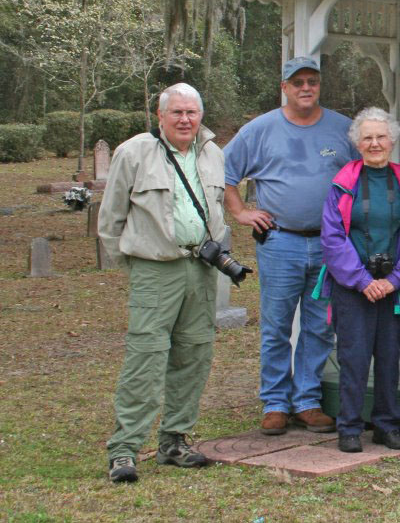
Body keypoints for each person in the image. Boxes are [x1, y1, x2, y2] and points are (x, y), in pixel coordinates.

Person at [100, 83, 229, 483]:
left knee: (194, 354)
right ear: (160, 116)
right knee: (146, 355)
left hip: (201, 267)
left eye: (192, 112)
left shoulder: (212, 153)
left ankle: (174, 439)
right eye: (177, 112)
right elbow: (111, 218)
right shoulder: (134, 152)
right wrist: (135, 263)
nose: (185, 119)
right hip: (156, 269)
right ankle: (125, 450)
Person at [224, 56, 358, 436]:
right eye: (297, 81)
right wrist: (241, 212)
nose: (305, 88)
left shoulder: (341, 129)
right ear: (284, 87)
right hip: (280, 241)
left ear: (319, 85)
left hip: (330, 245)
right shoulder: (260, 130)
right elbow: (224, 172)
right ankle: (275, 402)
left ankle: (307, 401)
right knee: (277, 325)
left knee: (319, 326)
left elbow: (363, 175)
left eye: (312, 81)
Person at [316, 107, 400, 453]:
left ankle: (387, 425)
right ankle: (349, 426)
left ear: (392, 140)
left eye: (381, 137)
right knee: (354, 356)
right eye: (367, 137)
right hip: (353, 287)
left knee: (390, 357)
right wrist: (363, 281)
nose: (375, 143)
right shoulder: (343, 184)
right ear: (357, 144)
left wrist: (396, 279)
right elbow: (333, 238)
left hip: (394, 285)